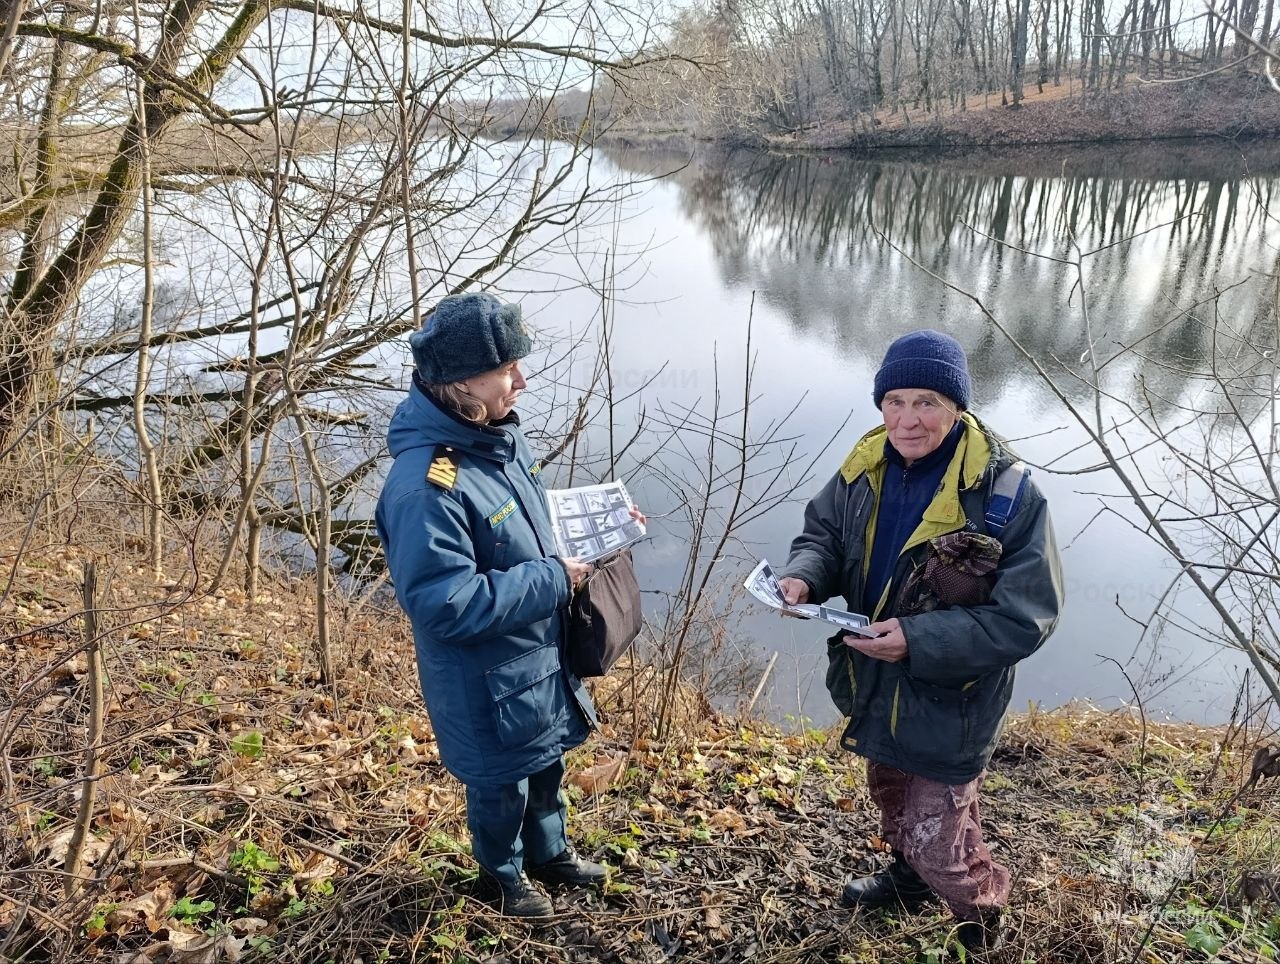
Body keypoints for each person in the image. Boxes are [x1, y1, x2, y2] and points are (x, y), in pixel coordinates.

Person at [778, 330, 1064, 954]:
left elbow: (1028, 618)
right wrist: (804, 575)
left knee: (943, 837)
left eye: (928, 401)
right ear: (881, 404)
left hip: (950, 699)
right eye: (896, 401)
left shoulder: (1008, 495)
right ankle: (909, 881)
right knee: (892, 796)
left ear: (958, 407)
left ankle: (982, 921)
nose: (908, 420)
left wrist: (917, 638)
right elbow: (823, 533)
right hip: (872, 678)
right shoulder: (865, 466)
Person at [376, 291, 641, 918]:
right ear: (460, 383)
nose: (522, 381)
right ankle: (502, 877)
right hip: (484, 681)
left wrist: (600, 528)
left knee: (546, 768)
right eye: (506, 371)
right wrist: (556, 580)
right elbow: (446, 604)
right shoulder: (424, 486)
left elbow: (526, 525)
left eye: (518, 365)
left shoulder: (496, 437)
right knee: (500, 789)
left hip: (536, 659)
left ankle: (549, 855)